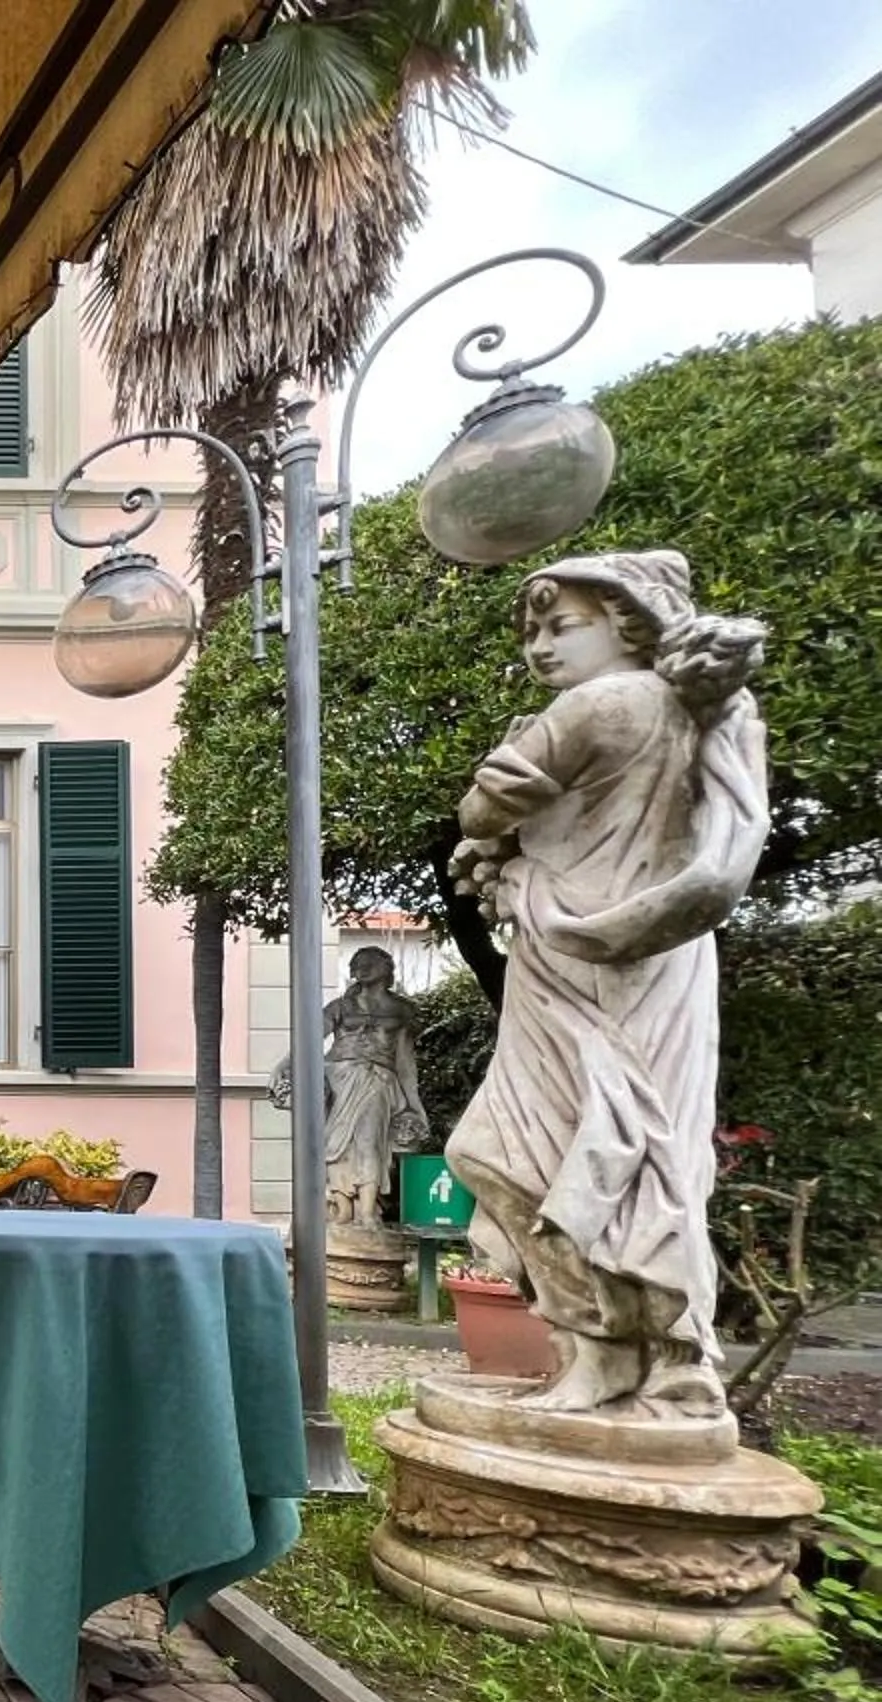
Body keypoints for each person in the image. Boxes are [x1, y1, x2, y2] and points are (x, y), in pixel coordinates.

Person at [443, 552, 767, 1418]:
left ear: (629, 625)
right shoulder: (712, 717)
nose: (542, 648)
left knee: (518, 1153)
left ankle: (601, 1352)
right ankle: (658, 1354)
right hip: (653, 962)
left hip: (580, 958)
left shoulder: (598, 705)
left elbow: (483, 810)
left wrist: (497, 816)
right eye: (534, 633)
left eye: (561, 625)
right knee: (641, 1149)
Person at [320, 948, 428, 1234]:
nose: (361, 965)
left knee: (369, 1141)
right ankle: (342, 1206)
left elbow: (405, 1062)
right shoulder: (339, 1007)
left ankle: (366, 1212)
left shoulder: (402, 1011)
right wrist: (283, 1067)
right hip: (337, 1078)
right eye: (356, 961)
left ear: (386, 968)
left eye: (370, 961)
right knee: (332, 1143)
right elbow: (306, 1039)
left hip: (377, 1079)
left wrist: (414, 1103)